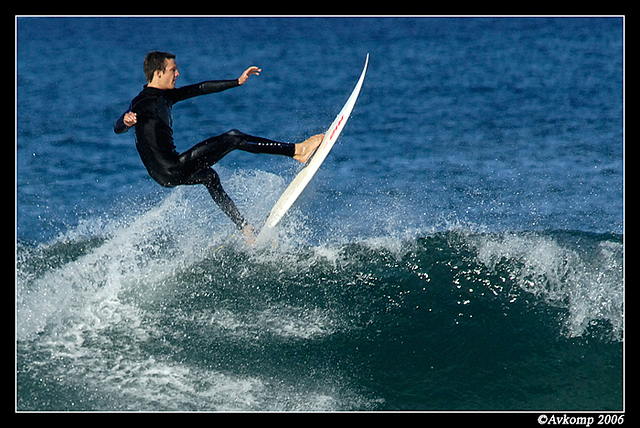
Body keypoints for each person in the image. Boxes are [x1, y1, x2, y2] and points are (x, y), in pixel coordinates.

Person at [114, 51, 323, 242]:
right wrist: (125, 121)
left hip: (162, 177)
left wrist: (237, 82)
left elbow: (200, 88)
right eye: (173, 70)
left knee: (209, 176)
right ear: (158, 73)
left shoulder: (166, 95)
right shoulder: (143, 102)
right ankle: (297, 151)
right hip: (173, 167)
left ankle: (246, 229)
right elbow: (119, 127)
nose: (177, 73)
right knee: (233, 137)